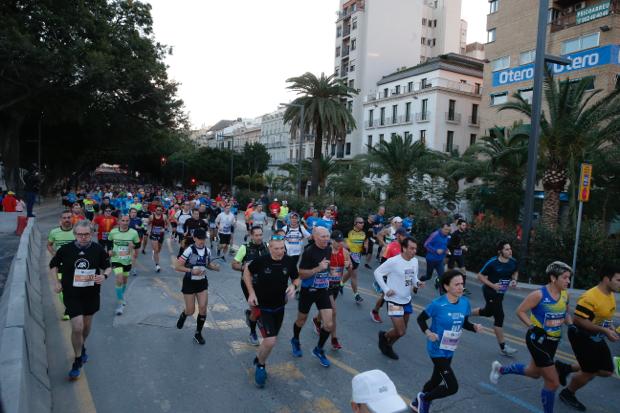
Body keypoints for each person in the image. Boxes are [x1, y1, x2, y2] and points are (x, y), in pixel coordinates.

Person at [489, 261, 576, 413]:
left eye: (569, 278)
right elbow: (520, 311)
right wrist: (533, 327)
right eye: (565, 277)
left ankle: (500, 369)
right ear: (553, 278)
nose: (568, 281)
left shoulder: (565, 294)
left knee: (534, 372)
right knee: (553, 382)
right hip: (538, 340)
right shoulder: (539, 294)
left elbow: (565, 312)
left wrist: (571, 325)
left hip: (553, 342)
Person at [49, 220, 111, 379]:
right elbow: (53, 265)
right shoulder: (66, 249)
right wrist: (56, 282)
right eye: (80, 234)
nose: (83, 237)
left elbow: (108, 266)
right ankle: (77, 360)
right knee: (77, 327)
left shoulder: (97, 249)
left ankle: (82, 346)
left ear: (91, 234)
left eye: (86, 234)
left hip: (91, 293)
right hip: (72, 293)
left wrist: (104, 276)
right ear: (75, 234)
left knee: (86, 327)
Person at [412, 269, 482, 412]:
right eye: (456, 284)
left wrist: (473, 327)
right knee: (452, 386)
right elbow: (421, 319)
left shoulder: (464, 303)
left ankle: (416, 401)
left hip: (449, 348)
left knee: (435, 380)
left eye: (462, 284)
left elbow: (464, 322)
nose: (461, 287)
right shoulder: (438, 304)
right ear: (446, 287)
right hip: (436, 349)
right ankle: (425, 399)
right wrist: (428, 332)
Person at [559, 263, 620, 411]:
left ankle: (566, 368)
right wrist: (605, 331)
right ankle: (568, 393)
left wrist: (609, 328)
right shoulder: (590, 297)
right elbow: (578, 320)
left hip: (596, 336)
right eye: (618, 280)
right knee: (590, 371)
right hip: (581, 336)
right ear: (607, 279)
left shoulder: (610, 295)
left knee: (606, 370)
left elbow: (603, 317)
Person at [244, 236, 299, 388]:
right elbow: (246, 273)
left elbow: (296, 278)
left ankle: (258, 357)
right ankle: (261, 366)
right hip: (263, 307)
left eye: (282, 248)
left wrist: (294, 287)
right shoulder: (261, 261)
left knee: (270, 342)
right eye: (276, 248)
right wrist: (251, 293)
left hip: (279, 307)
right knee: (270, 340)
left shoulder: (289, 261)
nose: (280, 251)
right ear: (270, 248)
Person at [374, 237, 424, 360]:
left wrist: (418, 283)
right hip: (394, 301)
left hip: (406, 300)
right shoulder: (394, 261)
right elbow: (377, 273)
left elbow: (413, 278)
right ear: (404, 248)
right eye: (411, 248)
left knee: (402, 331)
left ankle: (388, 346)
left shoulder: (415, 262)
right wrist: (386, 289)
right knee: (400, 331)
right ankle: (384, 337)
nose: (414, 251)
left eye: (415, 249)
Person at [290, 227, 333, 367]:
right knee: (301, 320)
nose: (326, 239)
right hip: (308, 291)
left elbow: (327, 265)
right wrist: (317, 269)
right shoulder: (309, 252)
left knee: (329, 324)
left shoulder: (328, 248)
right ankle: (295, 340)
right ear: (314, 237)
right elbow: (301, 274)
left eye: (327, 236)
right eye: (323, 236)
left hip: (322, 290)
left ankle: (319, 349)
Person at [470, 241, 519, 356]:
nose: (510, 251)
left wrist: (514, 280)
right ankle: (503, 347)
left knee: (487, 312)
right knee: (499, 316)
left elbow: (515, 271)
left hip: (501, 292)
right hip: (490, 291)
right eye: (506, 249)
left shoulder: (513, 262)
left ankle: (465, 312)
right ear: (500, 251)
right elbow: (480, 276)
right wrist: (493, 285)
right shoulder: (493, 262)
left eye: (510, 248)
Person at [174, 228, 220, 345]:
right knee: (191, 311)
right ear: (194, 238)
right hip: (189, 283)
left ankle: (198, 333)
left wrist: (214, 267)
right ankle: (184, 314)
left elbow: (207, 264)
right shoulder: (189, 250)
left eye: (203, 239)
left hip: (202, 283)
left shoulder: (207, 251)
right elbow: (177, 266)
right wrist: (191, 271)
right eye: (199, 239)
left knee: (203, 307)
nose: (201, 241)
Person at [312, 230, 351, 350]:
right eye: (337, 241)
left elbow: (351, 270)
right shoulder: (325, 252)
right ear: (331, 241)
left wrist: (348, 266)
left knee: (326, 309)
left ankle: (317, 319)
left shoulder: (344, 252)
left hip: (336, 286)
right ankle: (334, 339)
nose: (340, 244)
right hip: (325, 286)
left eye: (341, 241)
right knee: (333, 311)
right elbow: (316, 268)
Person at [232, 225, 269, 346]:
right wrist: (245, 267)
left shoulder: (266, 247)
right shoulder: (245, 248)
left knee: (263, 309)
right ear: (251, 236)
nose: (259, 237)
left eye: (261, 235)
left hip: (264, 283)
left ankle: (251, 316)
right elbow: (234, 264)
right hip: (249, 283)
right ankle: (252, 333)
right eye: (256, 235)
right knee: (257, 311)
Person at [371, 228, 409, 323]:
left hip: (400, 277)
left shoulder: (404, 247)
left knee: (395, 296)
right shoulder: (391, 246)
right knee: (387, 296)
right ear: (398, 235)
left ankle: (397, 317)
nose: (405, 238)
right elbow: (383, 263)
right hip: (390, 277)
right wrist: (384, 278)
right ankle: (376, 312)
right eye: (404, 236)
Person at [108, 215, 141, 316]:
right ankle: (121, 302)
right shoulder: (113, 232)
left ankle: (121, 295)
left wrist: (133, 246)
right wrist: (109, 250)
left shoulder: (133, 233)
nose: (125, 222)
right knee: (119, 279)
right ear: (119, 221)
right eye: (123, 220)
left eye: (127, 221)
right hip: (116, 259)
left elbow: (138, 244)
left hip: (127, 260)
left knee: (125, 281)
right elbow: (109, 242)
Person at [47, 210, 76, 321]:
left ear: (72, 219)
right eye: (64, 218)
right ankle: (68, 309)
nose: (67, 220)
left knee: (75, 287)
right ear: (61, 219)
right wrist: (54, 253)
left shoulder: (77, 232)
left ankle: (75, 305)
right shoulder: (54, 232)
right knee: (62, 288)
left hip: (75, 266)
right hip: (61, 266)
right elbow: (49, 245)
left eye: (69, 217)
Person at [343, 216, 367, 304]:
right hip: (348, 256)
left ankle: (341, 284)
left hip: (357, 256)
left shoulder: (364, 233)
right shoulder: (348, 231)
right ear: (355, 223)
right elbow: (342, 241)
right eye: (360, 222)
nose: (362, 224)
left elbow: (366, 241)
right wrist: (346, 247)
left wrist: (365, 247)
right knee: (354, 275)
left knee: (350, 273)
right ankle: (356, 295)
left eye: (363, 222)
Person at [422, 223, 451, 289]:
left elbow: (444, 246)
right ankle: (420, 280)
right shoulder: (435, 234)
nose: (447, 231)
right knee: (428, 277)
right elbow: (426, 244)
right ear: (441, 228)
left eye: (448, 230)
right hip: (431, 259)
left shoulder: (447, 237)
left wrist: (447, 251)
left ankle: (442, 294)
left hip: (440, 260)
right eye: (445, 229)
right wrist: (436, 250)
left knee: (442, 277)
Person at [148, 205, 168, 272]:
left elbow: (167, 224)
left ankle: (155, 253)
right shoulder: (151, 216)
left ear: (162, 211)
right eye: (157, 210)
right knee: (156, 250)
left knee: (158, 250)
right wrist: (148, 230)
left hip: (161, 235)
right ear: (155, 210)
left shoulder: (164, 216)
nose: (158, 211)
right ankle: (157, 265)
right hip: (153, 234)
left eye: (160, 210)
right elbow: (148, 224)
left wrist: (164, 229)